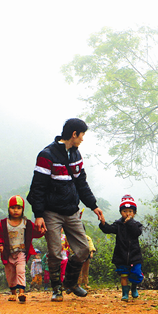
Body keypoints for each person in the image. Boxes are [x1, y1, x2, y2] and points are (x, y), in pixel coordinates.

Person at [27, 118, 104, 302]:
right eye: (82, 135)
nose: (83, 139)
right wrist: (39, 215)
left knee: (83, 249)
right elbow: (37, 188)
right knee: (54, 252)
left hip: (71, 210)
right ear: (74, 134)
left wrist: (93, 205)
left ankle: (70, 282)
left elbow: (81, 183)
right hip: (51, 212)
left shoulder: (76, 155)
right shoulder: (47, 155)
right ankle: (56, 289)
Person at [0, 195, 44, 302]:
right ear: (8, 209)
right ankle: (13, 293)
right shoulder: (3, 223)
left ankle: (21, 293)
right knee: (10, 274)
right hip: (8, 253)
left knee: (21, 271)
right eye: (13, 208)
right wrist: (0, 245)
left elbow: (34, 232)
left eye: (18, 208)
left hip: (21, 253)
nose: (15, 210)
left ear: (22, 209)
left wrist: (42, 231)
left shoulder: (26, 223)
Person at [99, 194, 143, 301]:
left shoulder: (137, 224)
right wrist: (103, 223)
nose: (127, 213)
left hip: (134, 255)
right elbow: (108, 229)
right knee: (123, 275)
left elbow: (137, 233)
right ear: (120, 212)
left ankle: (133, 288)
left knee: (136, 274)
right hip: (121, 255)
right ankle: (125, 293)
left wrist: (130, 222)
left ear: (134, 213)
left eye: (130, 211)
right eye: (125, 211)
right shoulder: (118, 224)